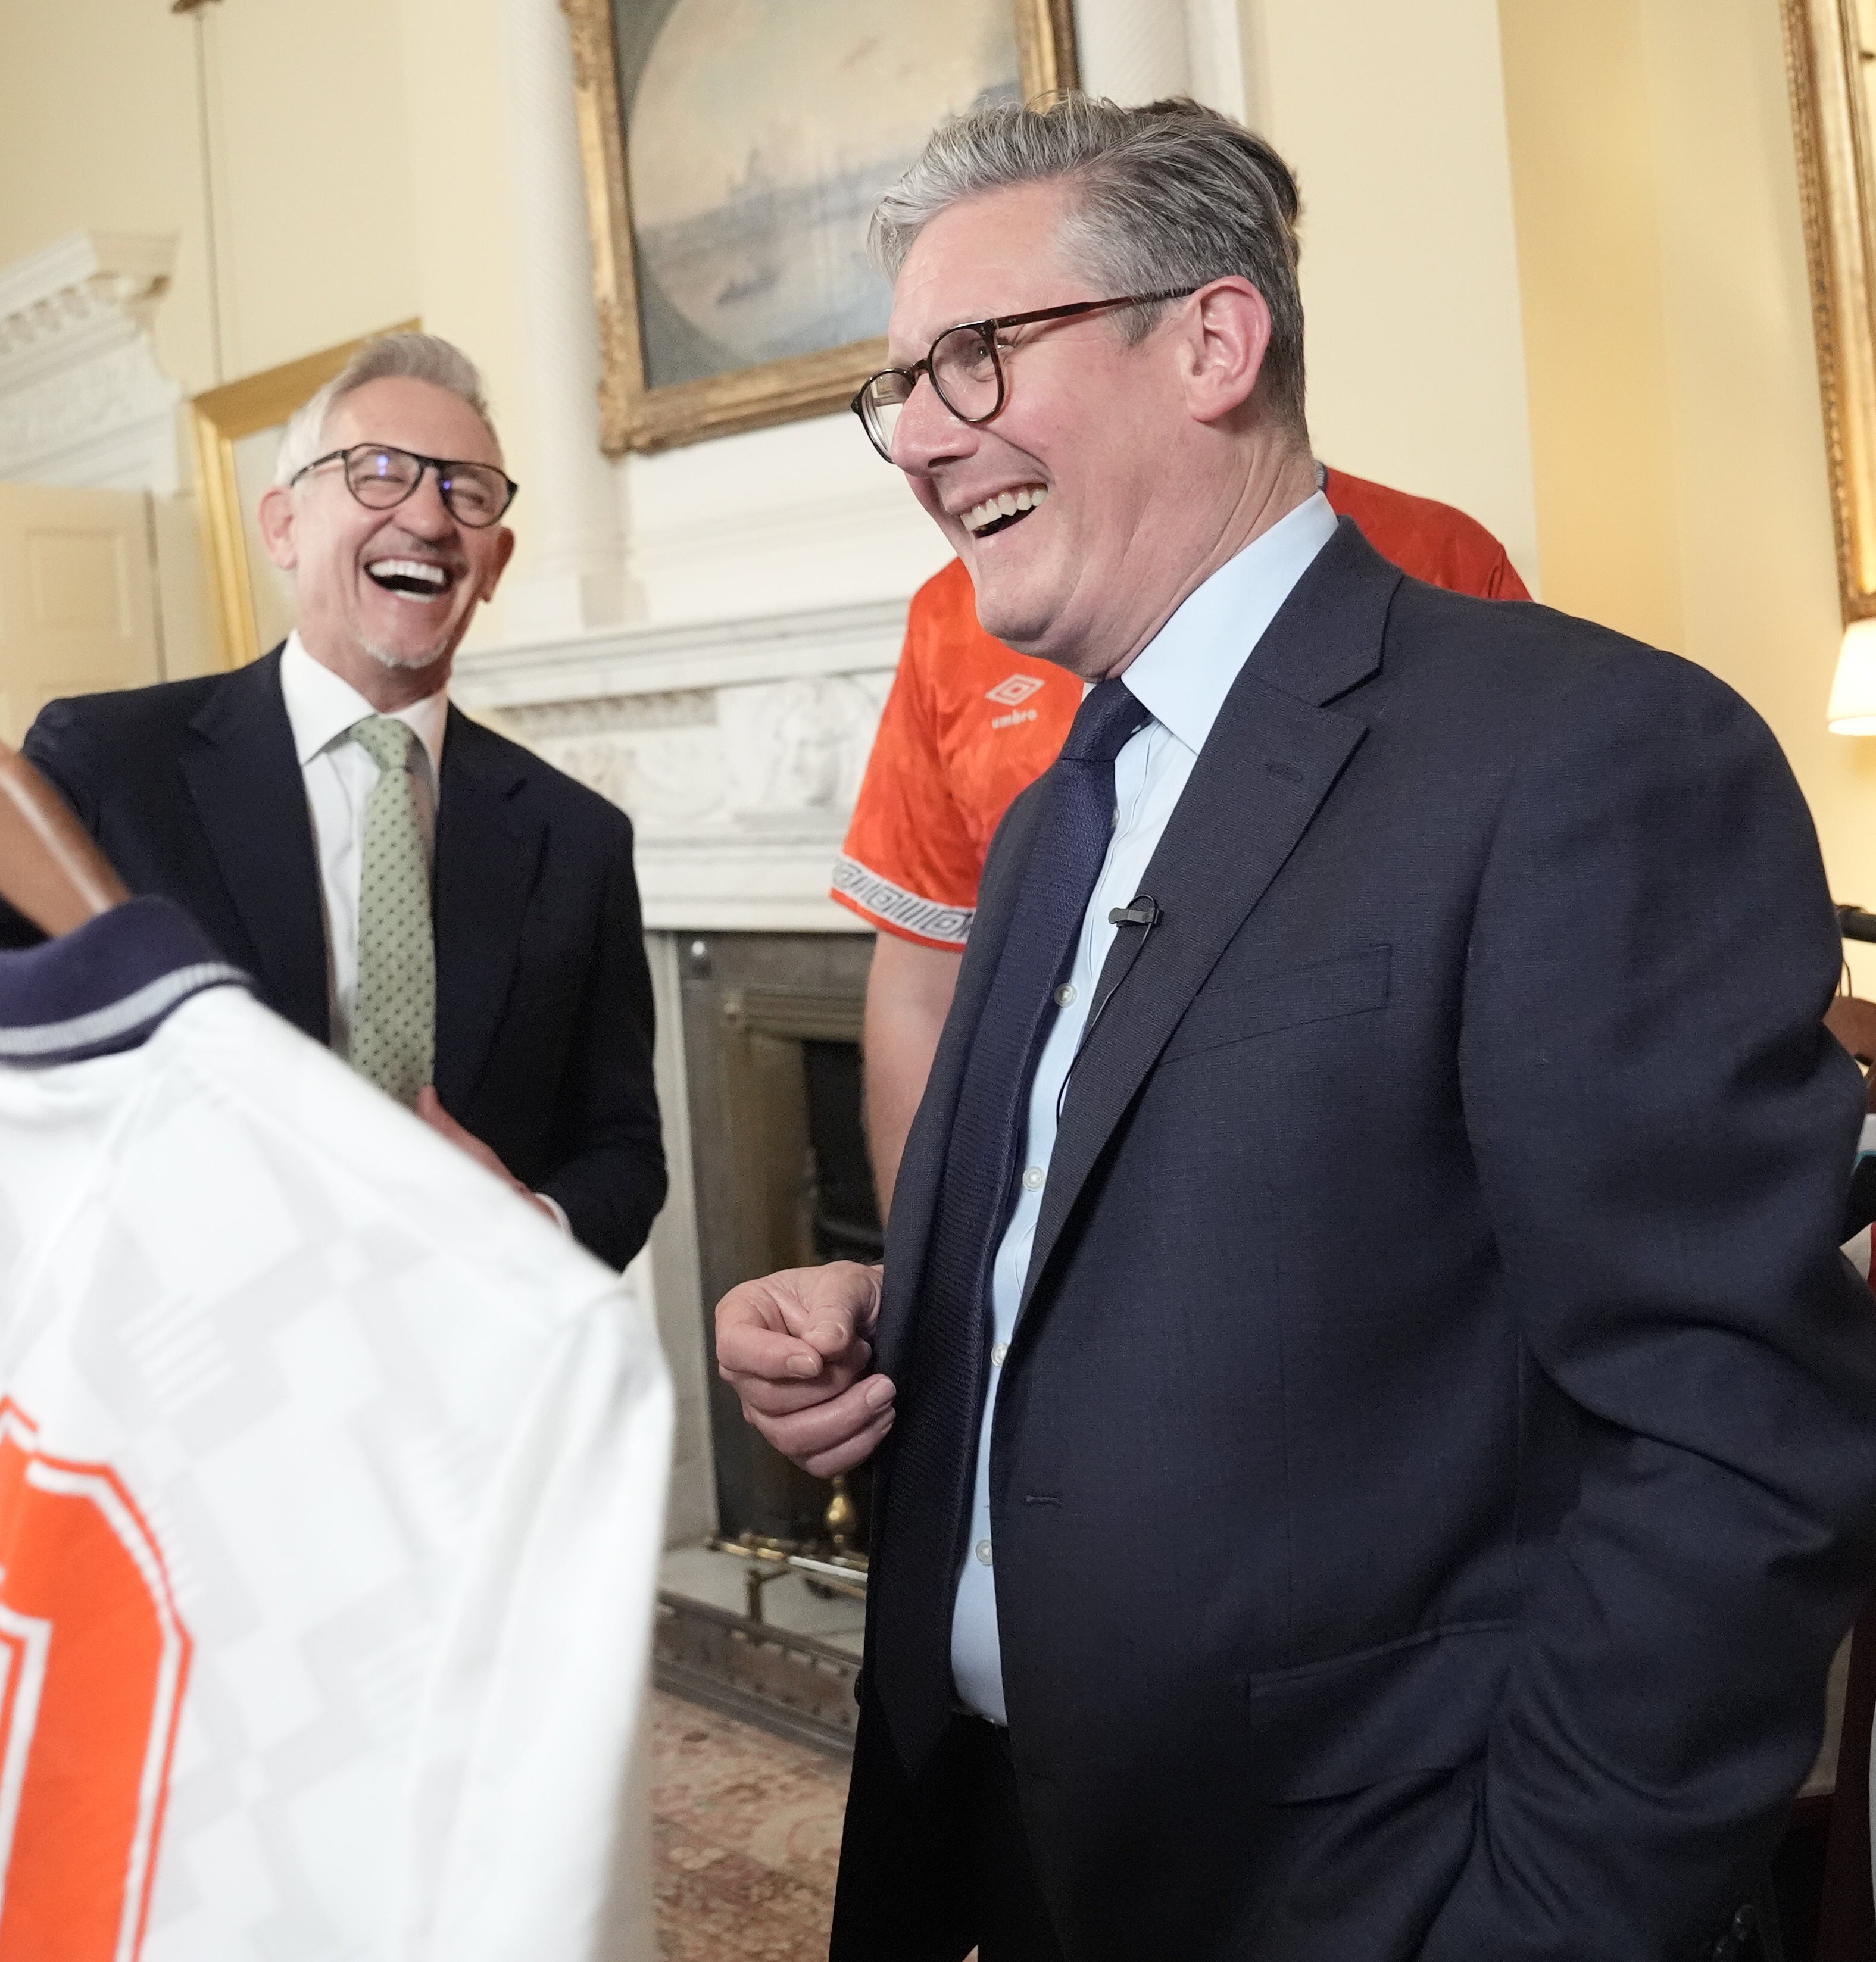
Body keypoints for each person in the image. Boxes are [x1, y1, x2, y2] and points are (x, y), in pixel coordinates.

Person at [711, 96, 1876, 1960]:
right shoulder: (1044, 827)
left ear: (1211, 340)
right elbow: (1158, 1243)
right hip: (1004, 1856)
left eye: (974, 358)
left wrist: (1537, 1925)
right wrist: (897, 1325)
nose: (920, 436)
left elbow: (1725, 1447)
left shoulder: (1584, 755)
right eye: (900, 386)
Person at [0, 332, 664, 1269]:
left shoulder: (577, 840)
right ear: (283, 525)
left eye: (468, 490)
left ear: (493, 564)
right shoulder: (105, 766)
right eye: (380, 473)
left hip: (463, 1364)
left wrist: (530, 1233)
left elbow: (622, 1150)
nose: (426, 516)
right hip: (172, 1350)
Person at [833, 470, 1527, 1211]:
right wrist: (916, 1282)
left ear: (1213, 352)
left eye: (993, 355)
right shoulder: (953, 613)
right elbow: (920, 987)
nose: (919, 443)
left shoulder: (1438, 556)